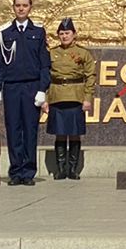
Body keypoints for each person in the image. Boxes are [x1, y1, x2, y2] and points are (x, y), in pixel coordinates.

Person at [0, 0, 51, 185]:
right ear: (13, 8)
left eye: (25, 5)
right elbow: (0, 63)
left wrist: (42, 89)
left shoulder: (38, 31)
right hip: (11, 87)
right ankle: (15, 171)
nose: (21, 9)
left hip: (31, 86)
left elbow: (45, 64)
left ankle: (28, 172)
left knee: (30, 129)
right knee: (13, 129)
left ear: (30, 8)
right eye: (18, 5)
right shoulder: (4, 33)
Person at [46, 18, 97, 179]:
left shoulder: (83, 53)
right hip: (57, 96)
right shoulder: (52, 53)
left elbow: (90, 76)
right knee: (60, 133)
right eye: (61, 33)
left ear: (74, 34)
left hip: (76, 96)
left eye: (67, 33)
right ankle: (60, 169)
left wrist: (87, 98)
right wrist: (45, 99)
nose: (64, 36)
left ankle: (73, 169)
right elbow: (45, 77)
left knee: (74, 133)